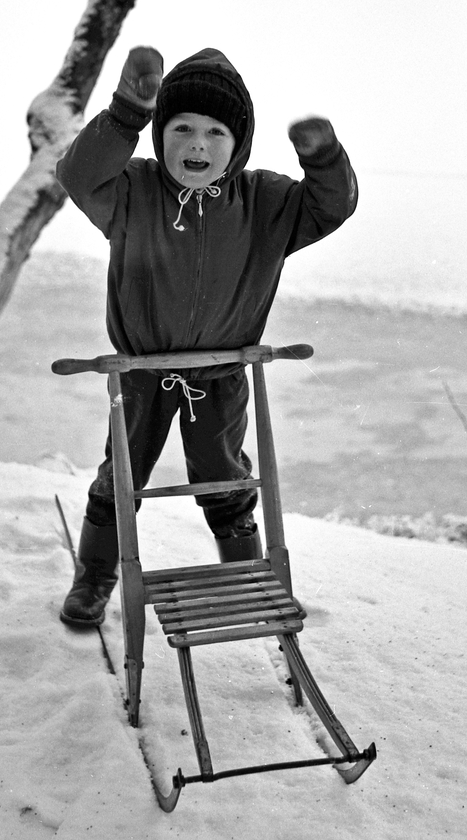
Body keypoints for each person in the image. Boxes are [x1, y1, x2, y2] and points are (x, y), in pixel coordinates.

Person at [55, 45, 358, 628]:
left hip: (219, 375)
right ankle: (96, 573)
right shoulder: (131, 192)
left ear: (238, 143)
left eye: (216, 132)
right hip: (142, 372)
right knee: (123, 471)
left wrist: (323, 159)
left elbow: (332, 206)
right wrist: (125, 113)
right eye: (182, 128)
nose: (198, 144)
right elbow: (79, 174)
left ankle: (245, 573)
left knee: (225, 475)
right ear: (160, 134)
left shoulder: (265, 202)